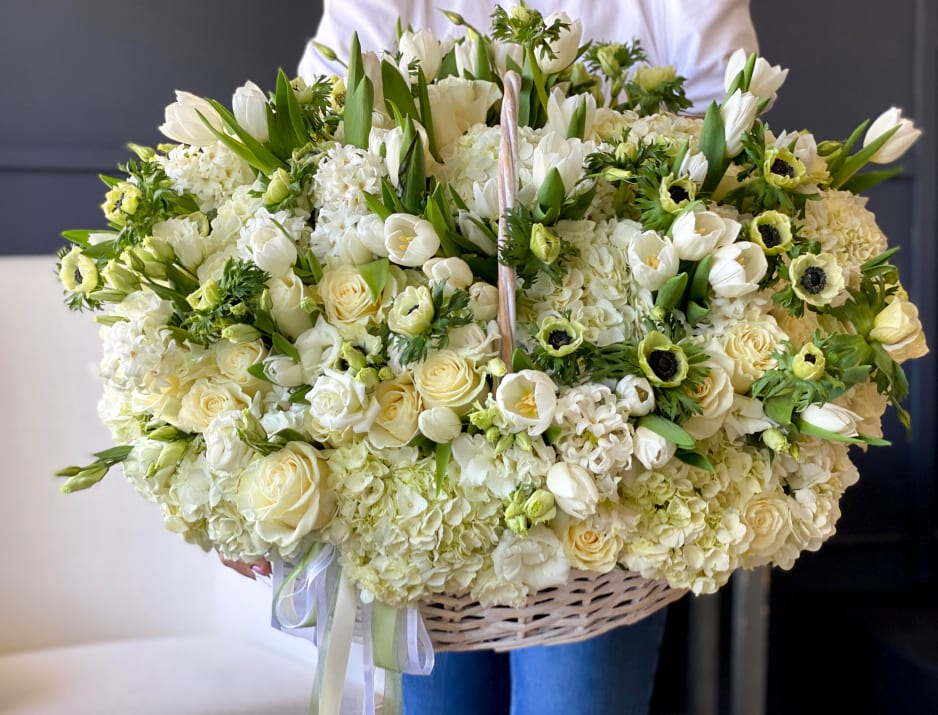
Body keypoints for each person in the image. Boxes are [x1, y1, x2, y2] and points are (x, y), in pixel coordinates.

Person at [226, 3, 759, 713]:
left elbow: (735, 161)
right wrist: (246, 482)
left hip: (612, 452)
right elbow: (315, 152)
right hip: (417, 431)